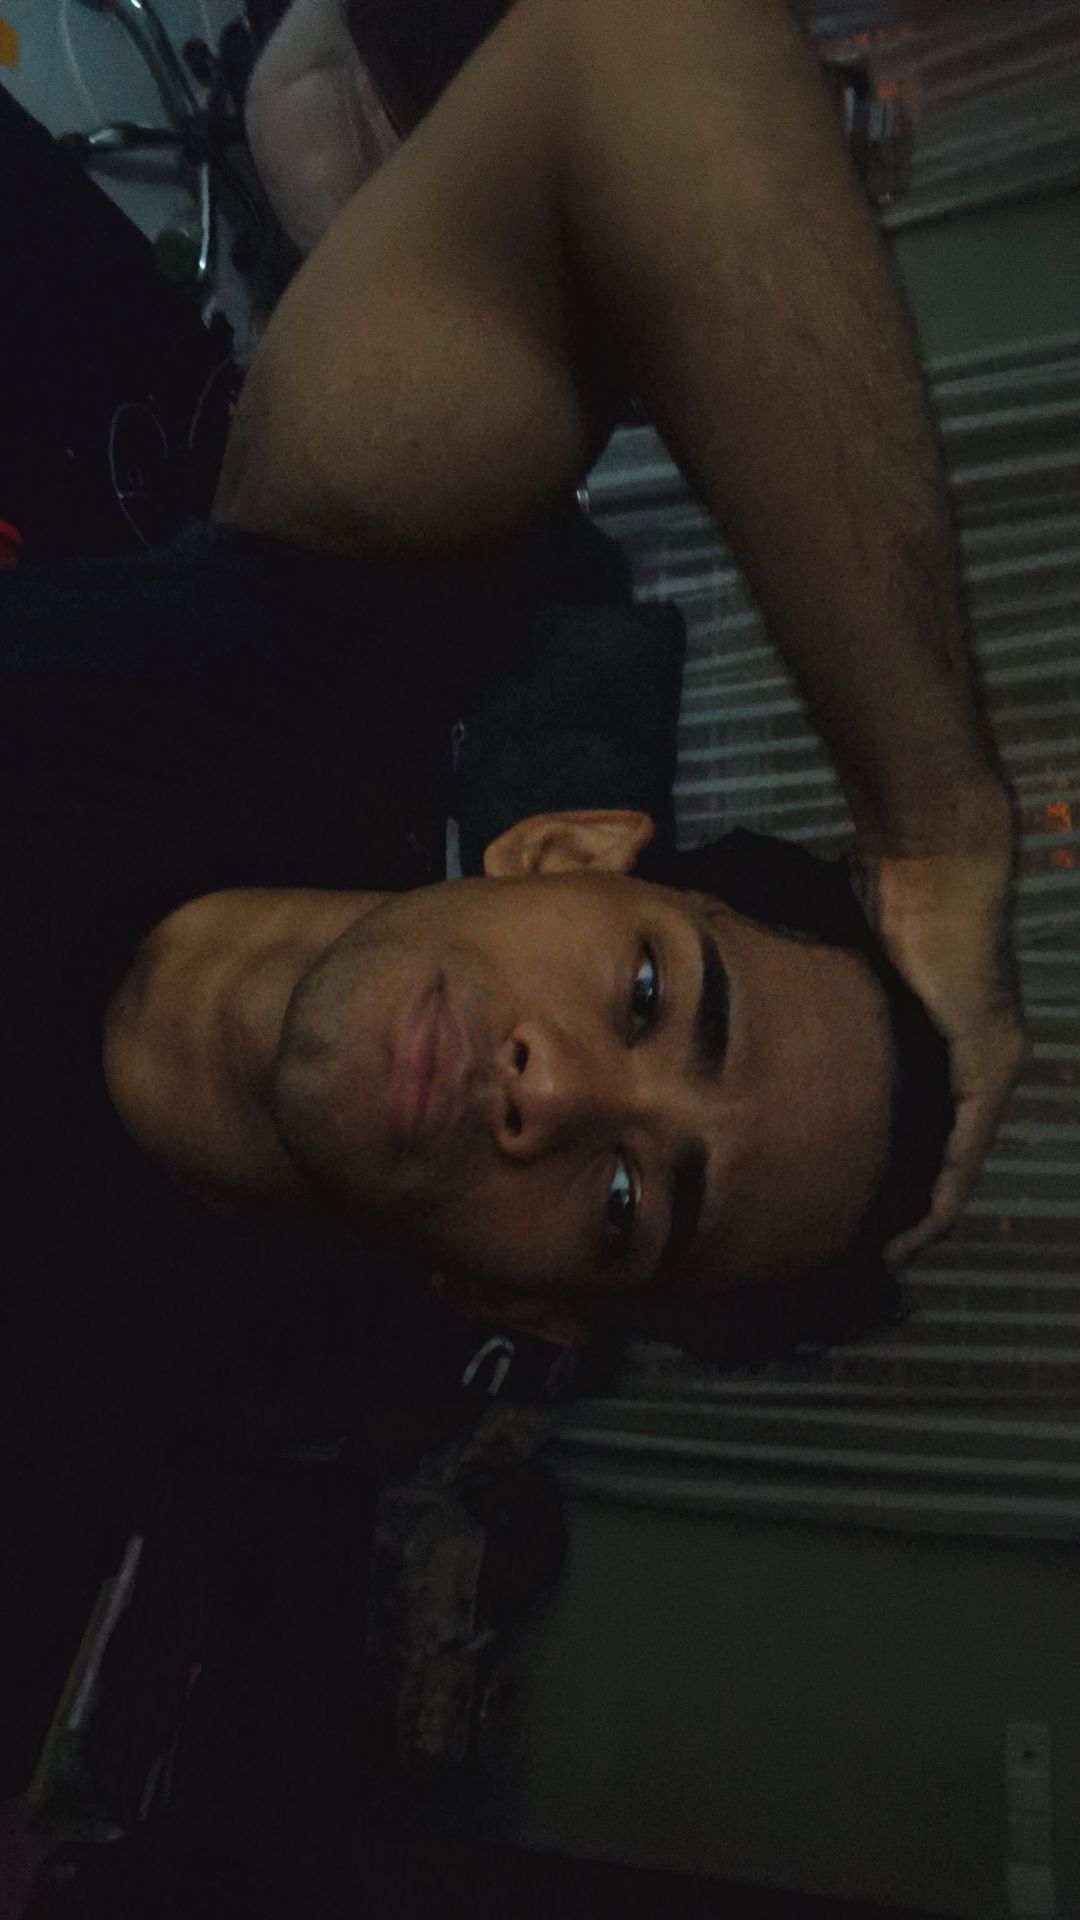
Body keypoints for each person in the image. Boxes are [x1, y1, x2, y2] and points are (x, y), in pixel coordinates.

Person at [3, 0, 1021, 1805]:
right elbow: (647, 44)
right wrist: (942, 835)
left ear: (513, 1294)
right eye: (649, 997)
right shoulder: (318, 656)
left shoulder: (59, 1419)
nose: (558, 1095)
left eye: (629, 1204)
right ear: (568, 850)